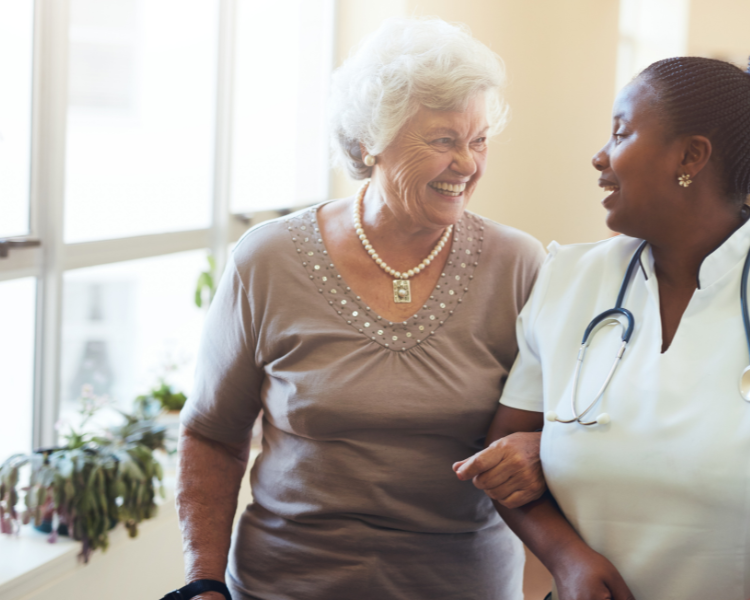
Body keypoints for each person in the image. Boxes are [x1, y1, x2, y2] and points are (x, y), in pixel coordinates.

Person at [478, 54, 750, 600]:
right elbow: (505, 447)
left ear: (691, 156)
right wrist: (567, 560)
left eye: (621, 133)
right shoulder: (567, 280)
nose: (600, 157)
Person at [174, 18, 546, 600]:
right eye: (444, 140)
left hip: (460, 586)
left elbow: (567, 425)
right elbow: (212, 435)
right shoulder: (268, 259)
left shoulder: (519, 264)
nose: (469, 165)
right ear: (371, 139)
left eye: (478, 141)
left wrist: (540, 448)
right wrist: (203, 581)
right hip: (287, 584)